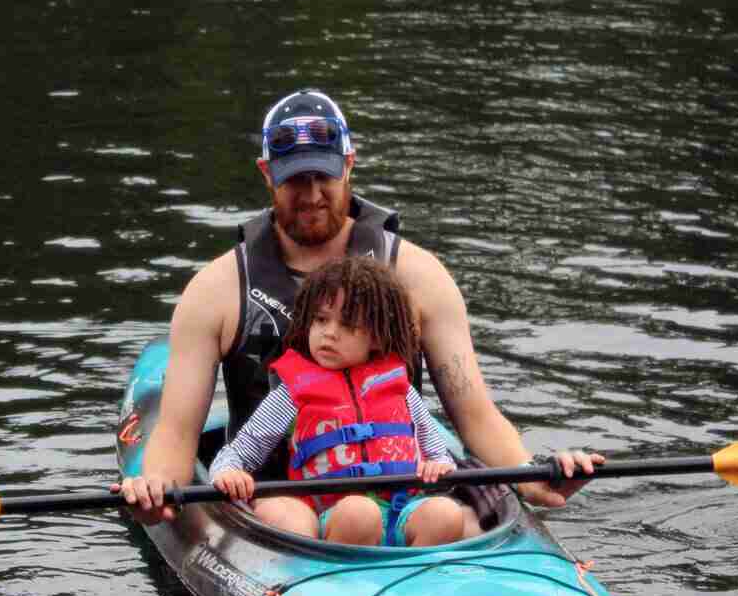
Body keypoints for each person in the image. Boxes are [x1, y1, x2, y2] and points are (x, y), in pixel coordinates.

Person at [119, 88, 600, 533]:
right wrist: (157, 489)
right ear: (266, 174)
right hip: (275, 504)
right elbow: (179, 433)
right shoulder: (217, 289)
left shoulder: (419, 276)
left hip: (399, 494)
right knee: (300, 522)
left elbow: (473, 413)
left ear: (349, 164)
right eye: (293, 181)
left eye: (322, 177)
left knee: (449, 520)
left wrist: (535, 481)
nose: (310, 196)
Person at [207, 256, 470, 548]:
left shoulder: (400, 389)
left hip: (402, 510)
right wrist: (227, 472)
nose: (329, 332)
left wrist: (439, 467)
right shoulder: (291, 392)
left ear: (377, 339)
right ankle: (343, 580)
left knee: (446, 514)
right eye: (321, 319)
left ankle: (411, 573)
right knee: (360, 513)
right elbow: (239, 453)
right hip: (333, 515)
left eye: (347, 324)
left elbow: (439, 455)